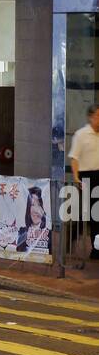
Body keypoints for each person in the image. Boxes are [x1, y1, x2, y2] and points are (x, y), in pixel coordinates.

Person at [68, 104, 99, 260]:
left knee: (94, 214)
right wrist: (76, 177)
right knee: (90, 214)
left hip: (98, 175)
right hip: (86, 177)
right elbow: (74, 158)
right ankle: (74, 237)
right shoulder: (81, 135)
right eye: (98, 116)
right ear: (91, 117)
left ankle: (95, 248)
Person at [16, 185, 51, 255]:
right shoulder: (22, 232)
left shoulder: (49, 234)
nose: (36, 210)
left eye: (39, 205)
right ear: (28, 208)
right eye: (32, 205)